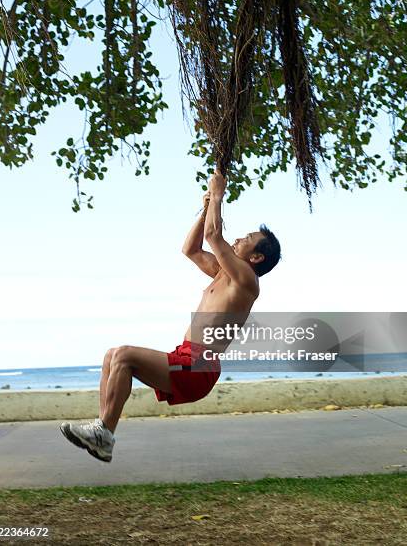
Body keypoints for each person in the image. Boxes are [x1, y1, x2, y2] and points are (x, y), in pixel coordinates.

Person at [60, 171, 281, 461]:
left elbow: (214, 236)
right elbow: (190, 249)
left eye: (247, 239)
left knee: (125, 355)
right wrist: (206, 209)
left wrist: (217, 194)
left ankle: (104, 434)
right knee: (112, 355)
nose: (239, 238)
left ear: (256, 258)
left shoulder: (247, 280)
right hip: (186, 357)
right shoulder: (222, 273)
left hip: (200, 364)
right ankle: (103, 432)